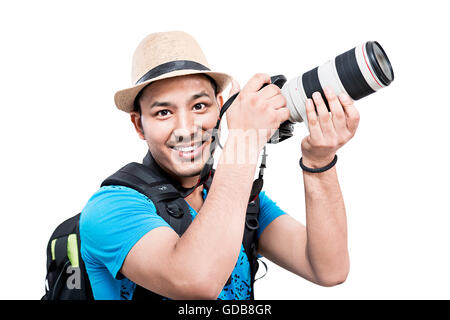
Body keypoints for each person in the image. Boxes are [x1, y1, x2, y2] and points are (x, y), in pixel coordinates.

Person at [79, 31, 360, 300]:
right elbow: (196, 281)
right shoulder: (110, 207)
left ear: (220, 106)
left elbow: (328, 269)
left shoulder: (236, 196)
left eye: (199, 106)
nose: (187, 128)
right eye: (164, 112)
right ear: (139, 124)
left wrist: (319, 161)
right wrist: (245, 139)